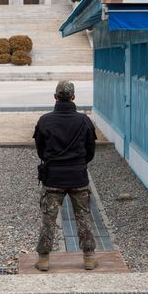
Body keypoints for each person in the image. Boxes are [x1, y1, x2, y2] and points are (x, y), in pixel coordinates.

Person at [33, 80, 98, 271]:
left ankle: (44, 259)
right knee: (84, 217)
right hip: (78, 176)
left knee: (49, 219)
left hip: (53, 177)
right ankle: (88, 257)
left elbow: (40, 150)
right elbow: (90, 151)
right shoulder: (84, 120)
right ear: (73, 97)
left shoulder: (44, 120)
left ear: (55, 97)